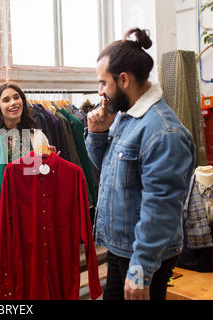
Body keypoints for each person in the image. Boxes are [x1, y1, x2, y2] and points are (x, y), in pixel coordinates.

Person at [86, 28, 195, 300]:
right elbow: (108, 171)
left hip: (144, 254)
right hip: (121, 247)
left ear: (123, 79)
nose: (99, 91)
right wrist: (97, 134)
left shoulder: (164, 132)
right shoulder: (126, 116)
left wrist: (141, 270)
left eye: (103, 83)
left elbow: (161, 208)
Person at [0, 82, 58, 161]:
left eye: (16, 98)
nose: (13, 102)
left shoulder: (37, 137)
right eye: (6, 100)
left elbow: (45, 170)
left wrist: (51, 161)